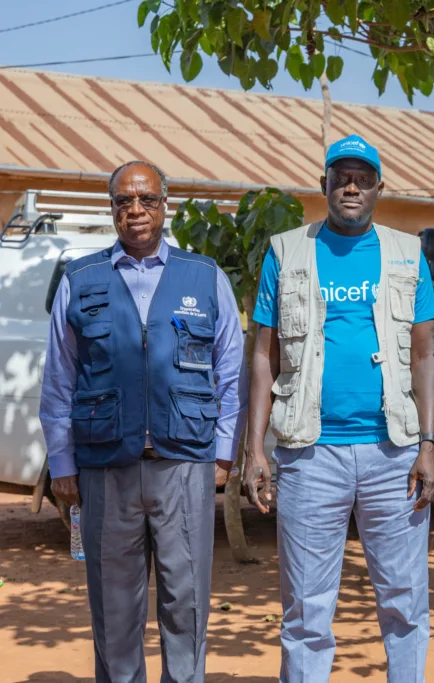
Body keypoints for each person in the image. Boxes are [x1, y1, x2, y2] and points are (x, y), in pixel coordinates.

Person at [243, 135, 434, 682]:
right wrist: (253, 448)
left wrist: (429, 444)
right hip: (310, 455)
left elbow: (425, 354)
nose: (351, 185)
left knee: (404, 602)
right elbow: (264, 355)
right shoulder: (288, 251)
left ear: (380, 186)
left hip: (394, 453)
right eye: (341, 176)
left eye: (363, 177)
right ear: (324, 183)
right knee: (307, 608)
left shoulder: (407, 251)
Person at [40, 161, 246, 683]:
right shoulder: (80, 279)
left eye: (146, 200)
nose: (135, 211)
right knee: (115, 610)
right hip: (105, 466)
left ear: (164, 205)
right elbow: (59, 381)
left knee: (187, 602)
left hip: (185, 464)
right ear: (111, 209)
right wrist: (62, 463)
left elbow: (230, 372)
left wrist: (225, 451)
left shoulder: (205, 277)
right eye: (123, 202)